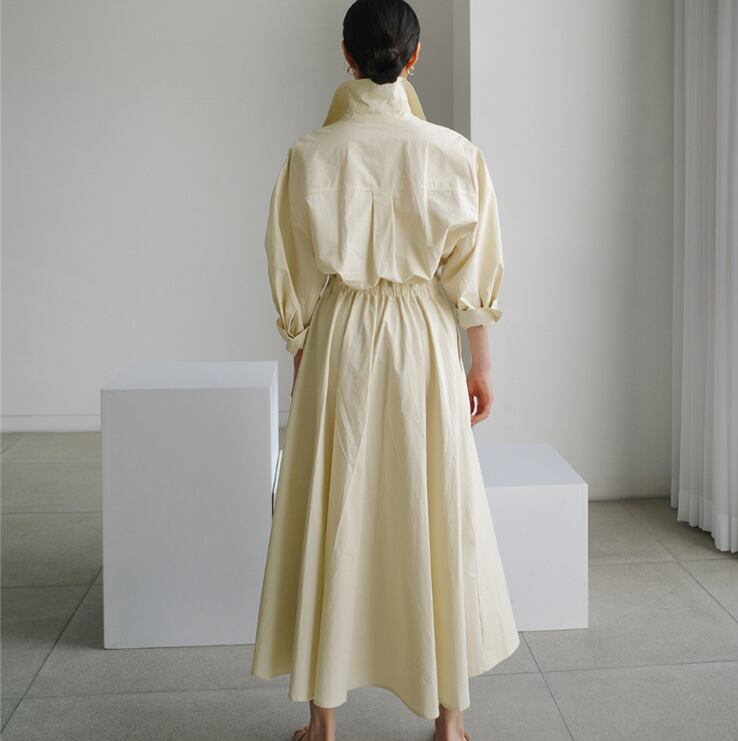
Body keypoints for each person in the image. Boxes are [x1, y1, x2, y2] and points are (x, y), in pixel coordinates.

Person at [250, 1, 520, 739]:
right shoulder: (455, 153)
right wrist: (480, 364)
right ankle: (449, 721)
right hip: (424, 337)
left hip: (340, 335)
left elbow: (294, 270)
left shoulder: (310, 155)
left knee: (334, 503)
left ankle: (323, 722)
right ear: (414, 57)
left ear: (346, 54)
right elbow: (474, 270)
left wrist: (302, 353)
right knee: (432, 501)